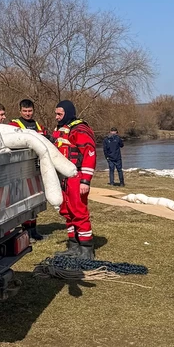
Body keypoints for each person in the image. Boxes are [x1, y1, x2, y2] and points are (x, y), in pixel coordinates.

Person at [53, 100, 97, 260]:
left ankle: (86, 249)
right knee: (67, 211)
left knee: (79, 211)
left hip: (76, 177)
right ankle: (73, 245)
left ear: (68, 113)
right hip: (64, 178)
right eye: (56, 114)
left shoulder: (80, 129)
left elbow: (89, 154)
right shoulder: (61, 130)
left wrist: (85, 181)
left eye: (60, 114)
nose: (57, 117)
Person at [9, 99, 49, 241]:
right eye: (25, 111)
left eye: (30, 111)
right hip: (21, 168)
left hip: (36, 168)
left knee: (35, 201)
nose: (27, 114)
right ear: (20, 111)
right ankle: (25, 231)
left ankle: (33, 229)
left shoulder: (38, 125)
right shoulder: (14, 125)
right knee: (24, 201)